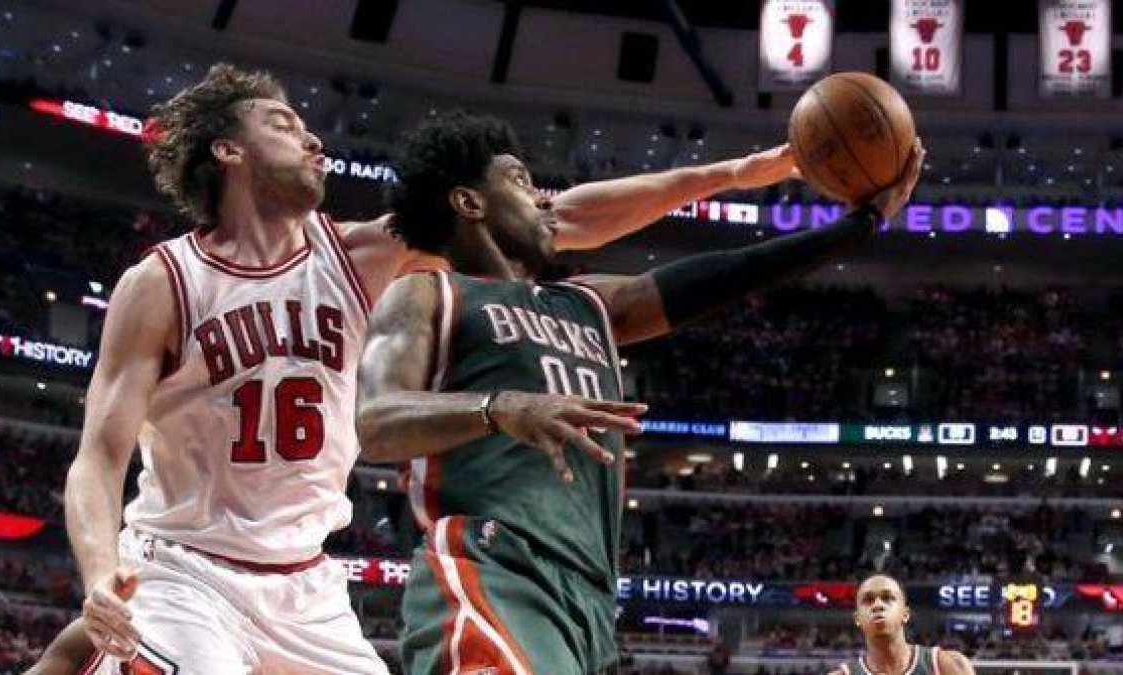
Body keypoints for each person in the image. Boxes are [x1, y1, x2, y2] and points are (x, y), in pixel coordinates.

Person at [45, 62, 802, 673]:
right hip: (186, 567)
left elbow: (560, 218)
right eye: (283, 125)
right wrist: (98, 574)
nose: (311, 140)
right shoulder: (164, 282)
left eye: (309, 128)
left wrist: (736, 172)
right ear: (227, 150)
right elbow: (101, 455)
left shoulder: (360, 253)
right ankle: (101, 648)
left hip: (306, 584)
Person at [354, 112, 923, 673]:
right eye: (520, 181)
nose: (544, 200)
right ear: (469, 203)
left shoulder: (586, 303)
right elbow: (376, 421)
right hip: (489, 566)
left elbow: (728, 273)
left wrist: (861, 225)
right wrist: (499, 407)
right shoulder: (427, 293)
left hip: (589, 594)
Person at [830, 575, 976, 675]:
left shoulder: (947, 665)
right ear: (857, 618)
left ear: (905, 614)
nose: (878, 605)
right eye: (868, 600)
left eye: (888, 598)